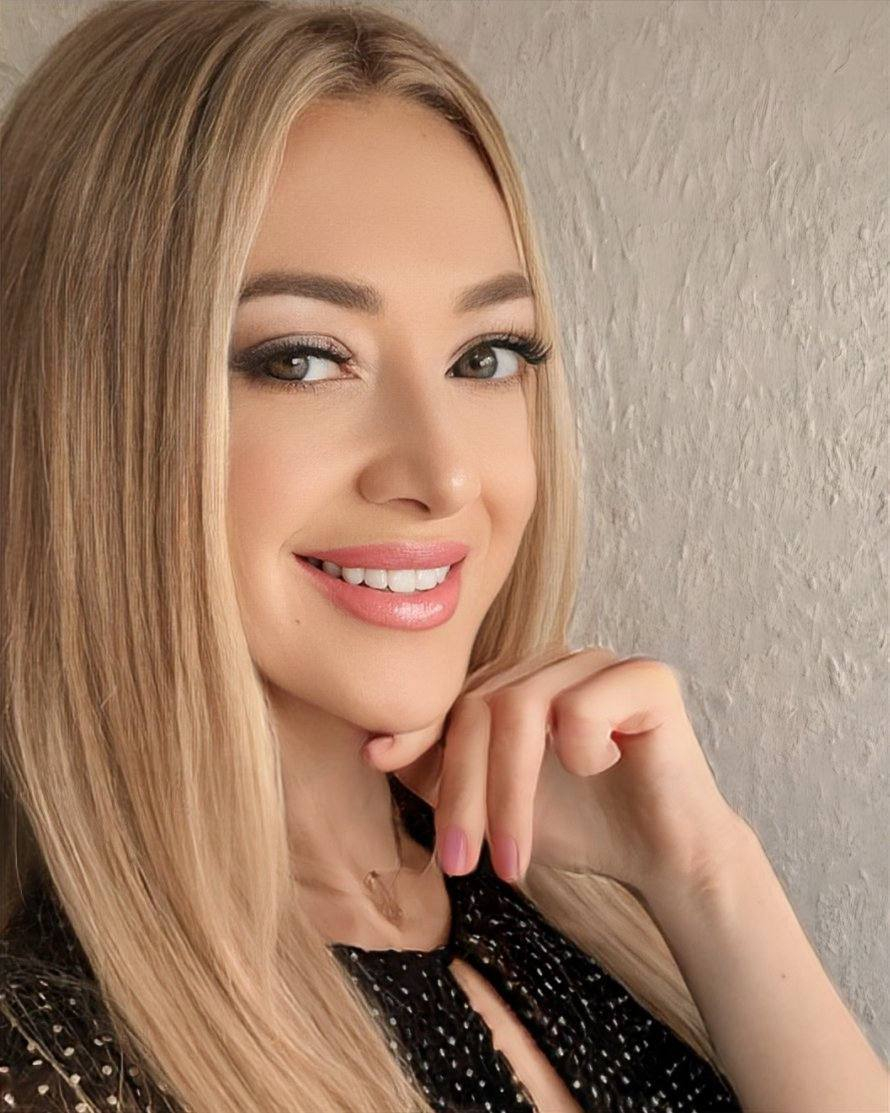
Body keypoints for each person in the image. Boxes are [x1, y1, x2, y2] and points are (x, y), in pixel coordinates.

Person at [1, 2, 886, 1112]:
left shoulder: (579, 900)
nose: (446, 473)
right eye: (303, 360)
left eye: (486, 356)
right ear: (83, 417)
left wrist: (708, 878)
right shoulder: (47, 1062)